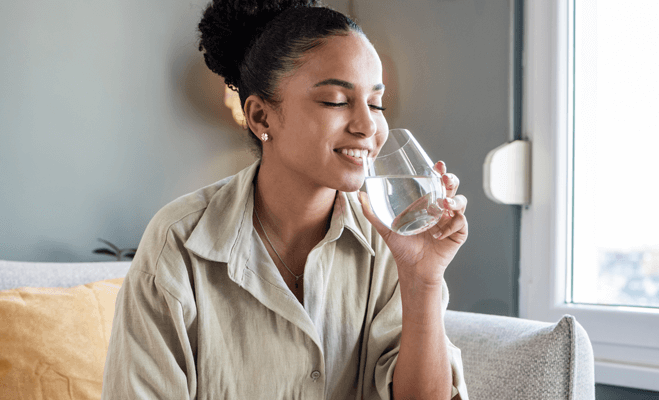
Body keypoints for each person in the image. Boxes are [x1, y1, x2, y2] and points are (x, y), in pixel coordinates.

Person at [103, 1, 469, 398]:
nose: (368, 126)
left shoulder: (388, 244)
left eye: (376, 103)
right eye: (335, 100)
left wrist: (422, 280)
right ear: (261, 117)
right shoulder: (179, 244)